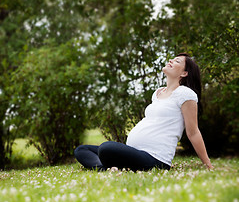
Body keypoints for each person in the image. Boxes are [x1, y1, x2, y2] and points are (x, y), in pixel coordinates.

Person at [74, 53, 213, 171]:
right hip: (134, 152)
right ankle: (108, 168)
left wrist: (208, 164)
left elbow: (193, 131)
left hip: (155, 158)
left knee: (106, 148)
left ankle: (111, 165)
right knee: (81, 150)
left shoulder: (185, 94)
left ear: (184, 73)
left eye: (177, 61)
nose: (170, 60)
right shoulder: (158, 92)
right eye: (172, 59)